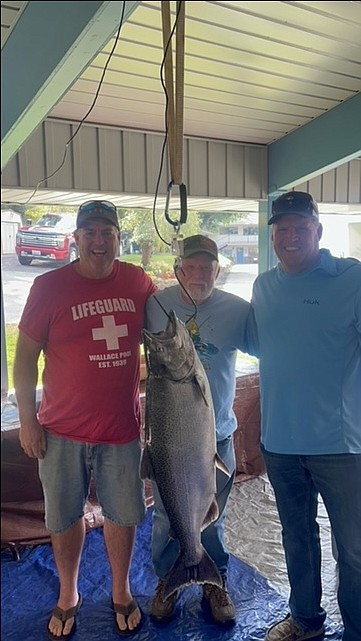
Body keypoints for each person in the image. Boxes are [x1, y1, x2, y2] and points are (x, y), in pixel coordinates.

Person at [13, 200, 157, 640]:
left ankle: (120, 590)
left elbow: (169, 329)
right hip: (60, 430)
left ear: (118, 237)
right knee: (62, 516)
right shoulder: (49, 286)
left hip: (121, 430)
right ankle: (68, 594)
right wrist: (27, 420)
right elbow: (23, 361)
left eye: (107, 232)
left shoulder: (137, 281)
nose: (99, 240)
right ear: (76, 239)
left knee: (123, 514)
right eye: (89, 232)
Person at [249, 191, 361, 641]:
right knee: (297, 539)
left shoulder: (351, 279)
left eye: (301, 227)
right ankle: (306, 620)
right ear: (272, 235)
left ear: (318, 231)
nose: (290, 236)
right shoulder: (263, 285)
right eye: (282, 229)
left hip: (341, 446)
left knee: (353, 551)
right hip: (280, 445)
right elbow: (270, 354)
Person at [145, 234, 255, 626]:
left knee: (214, 515)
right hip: (168, 441)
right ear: (178, 269)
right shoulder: (155, 305)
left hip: (216, 435)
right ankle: (168, 581)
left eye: (206, 267)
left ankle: (213, 578)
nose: (198, 274)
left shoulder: (238, 310)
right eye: (190, 266)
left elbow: (272, 348)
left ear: (217, 270)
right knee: (164, 516)